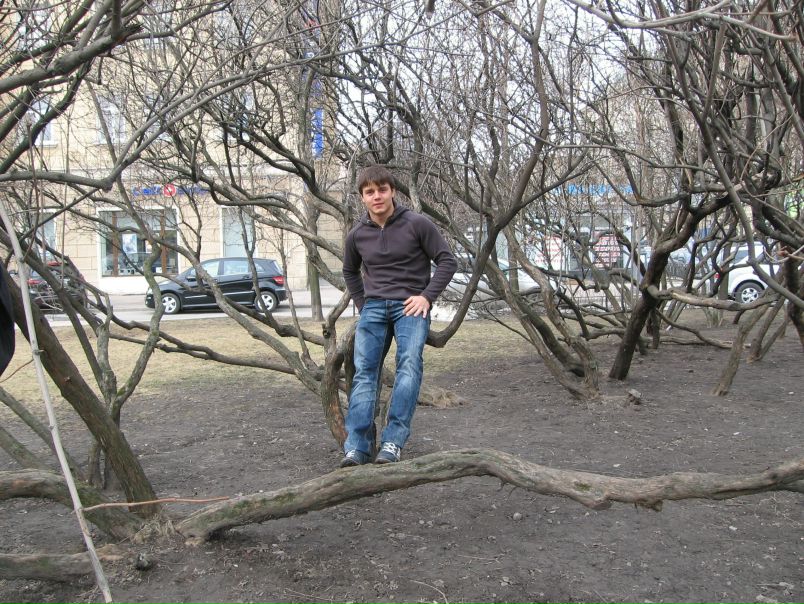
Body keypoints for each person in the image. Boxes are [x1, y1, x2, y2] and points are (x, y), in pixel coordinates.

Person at [341, 165, 457, 467]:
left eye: (382, 189)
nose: (377, 196)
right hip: (374, 307)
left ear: (392, 191)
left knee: (409, 365)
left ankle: (393, 441)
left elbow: (447, 261)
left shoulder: (417, 224)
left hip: (411, 306)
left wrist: (426, 297)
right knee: (365, 372)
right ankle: (357, 447)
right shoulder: (357, 235)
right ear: (362, 197)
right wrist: (364, 305)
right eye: (370, 192)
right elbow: (349, 271)